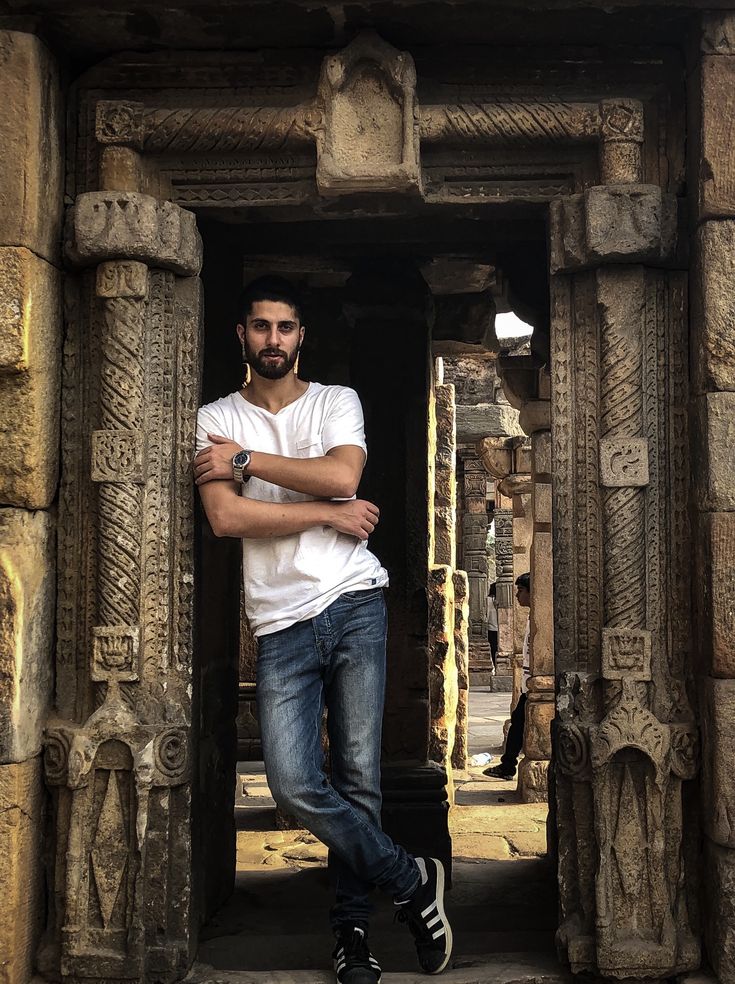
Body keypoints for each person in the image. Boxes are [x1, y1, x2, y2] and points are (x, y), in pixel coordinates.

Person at [194, 276, 452, 984]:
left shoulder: (336, 402)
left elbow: (342, 473)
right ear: (240, 336)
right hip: (279, 621)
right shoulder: (213, 414)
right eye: (259, 327)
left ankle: (352, 938)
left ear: (301, 336)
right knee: (294, 785)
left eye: (284, 327)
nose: (271, 339)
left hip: (354, 601)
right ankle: (410, 877)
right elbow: (227, 519)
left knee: (358, 779)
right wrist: (326, 514)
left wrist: (246, 463)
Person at [484, 572, 530, 781]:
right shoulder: (532, 617)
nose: (517, 596)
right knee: (518, 721)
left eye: (521, 591)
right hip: (529, 684)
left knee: (518, 722)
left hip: (534, 684)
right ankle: (508, 765)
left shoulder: (541, 616)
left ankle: (508, 765)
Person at [486, 582, 498, 669]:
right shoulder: (500, 600)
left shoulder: (487, 600)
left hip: (491, 628)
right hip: (500, 628)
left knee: (493, 648)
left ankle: (495, 664)